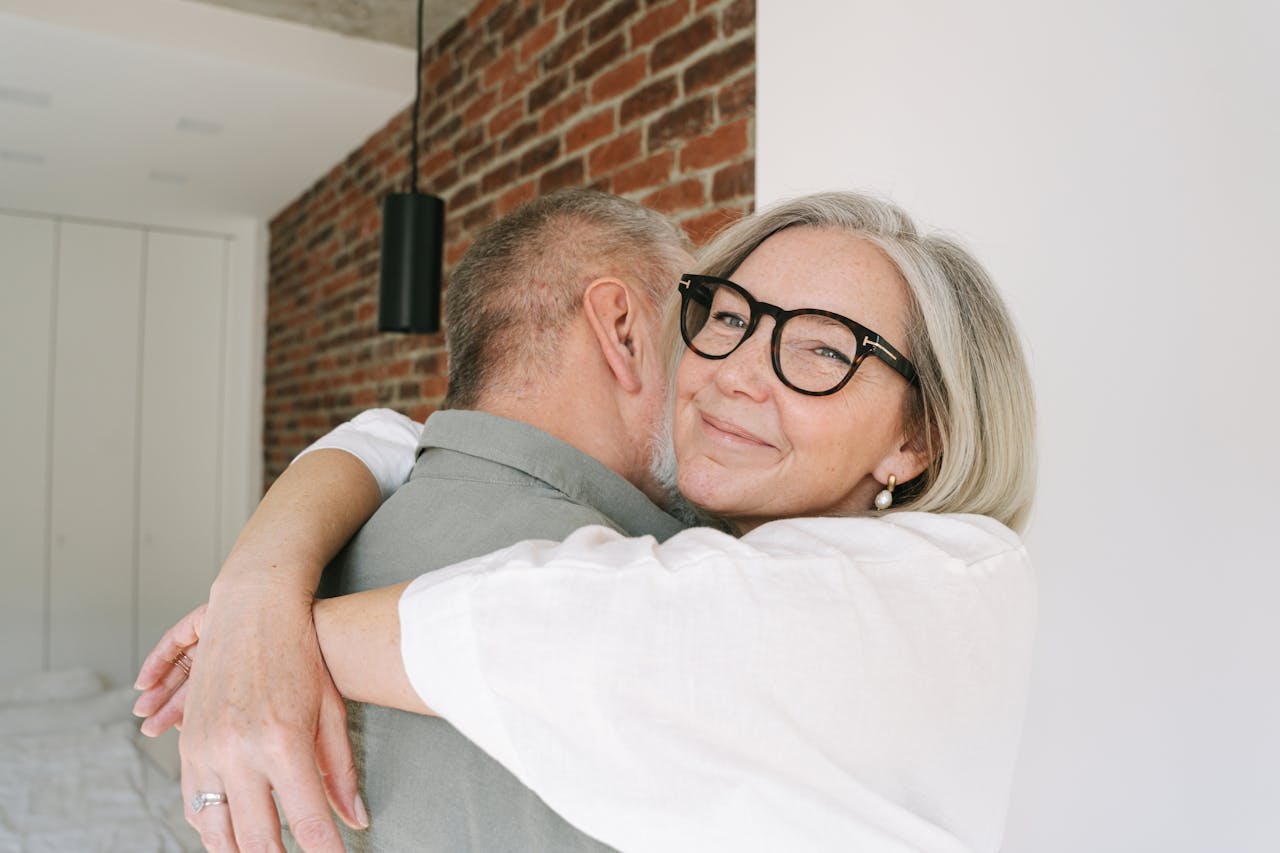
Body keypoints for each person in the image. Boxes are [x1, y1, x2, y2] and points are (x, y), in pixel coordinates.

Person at [140, 191, 1038, 852]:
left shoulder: (956, 580)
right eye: (727, 317)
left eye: (819, 349)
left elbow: (587, 633)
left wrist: (259, 636)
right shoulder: (689, 538)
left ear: (918, 438)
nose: (735, 371)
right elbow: (396, 433)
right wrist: (256, 583)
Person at [134, 189, 696, 853]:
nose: (720, 368)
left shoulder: (289, 604)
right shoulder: (688, 596)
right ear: (623, 330)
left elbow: (392, 435)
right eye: (702, 323)